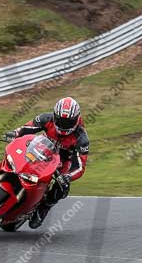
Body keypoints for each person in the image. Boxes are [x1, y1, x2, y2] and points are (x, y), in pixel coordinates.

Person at [5, 97, 89, 228]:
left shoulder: (81, 138)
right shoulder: (46, 118)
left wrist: (68, 176)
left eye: (68, 122)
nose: (63, 125)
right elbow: (27, 128)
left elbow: (79, 166)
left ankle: (43, 208)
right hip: (41, 149)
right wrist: (15, 133)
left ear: (76, 120)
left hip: (63, 161)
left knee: (62, 187)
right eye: (60, 120)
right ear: (55, 115)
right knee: (17, 155)